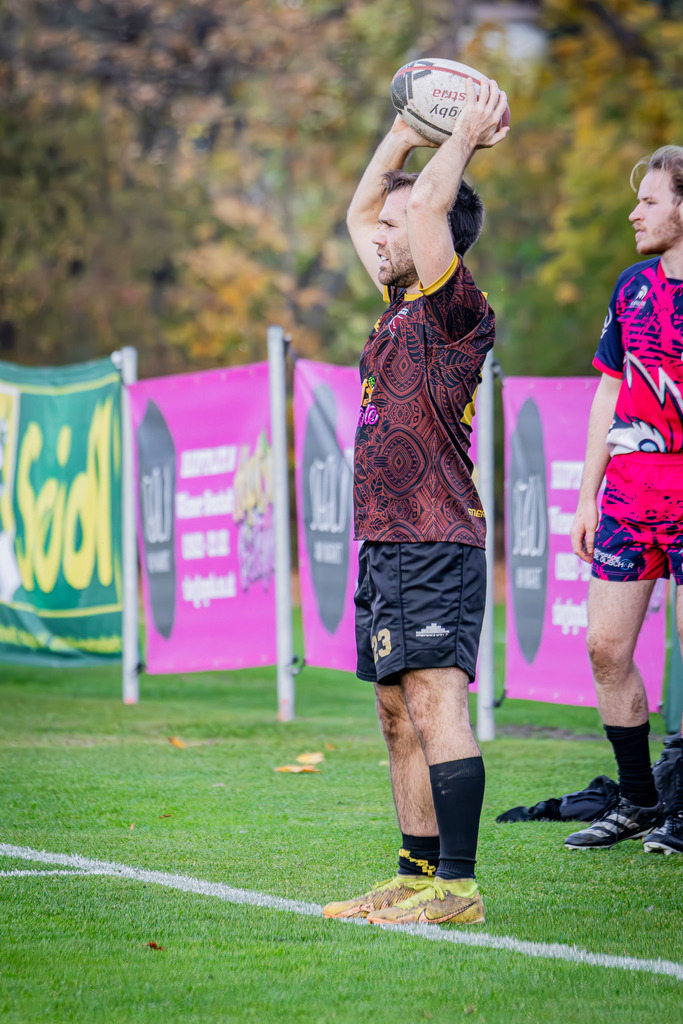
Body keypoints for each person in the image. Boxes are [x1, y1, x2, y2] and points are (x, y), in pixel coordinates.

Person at [322, 78, 510, 926]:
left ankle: (460, 889)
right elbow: (364, 211)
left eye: (400, 226)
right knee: (397, 711)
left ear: (433, 239)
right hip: (388, 540)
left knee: (435, 701)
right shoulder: (397, 304)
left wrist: (461, 134)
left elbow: (426, 209)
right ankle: (412, 874)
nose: (382, 233)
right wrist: (402, 128)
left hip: (437, 534)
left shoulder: (450, 308)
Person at [566, 145, 683, 854]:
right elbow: (609, 387)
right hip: (628, 492)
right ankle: (638, 801)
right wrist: (586, 496)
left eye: (648, 199)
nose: (633, 211)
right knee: (604, 647)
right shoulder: (631, 285)